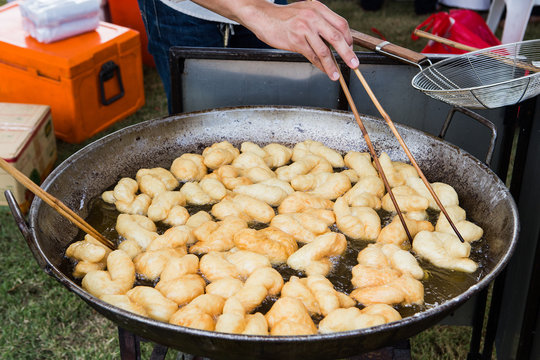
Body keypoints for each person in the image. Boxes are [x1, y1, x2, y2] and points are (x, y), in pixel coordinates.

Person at [137, 0, 359, 111]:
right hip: (182, 10)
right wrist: (255, 11)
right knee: (198, 119)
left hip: (270, 4)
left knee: (272, 109)